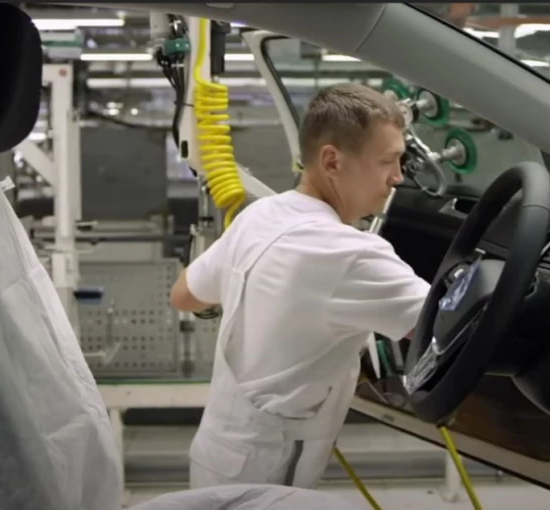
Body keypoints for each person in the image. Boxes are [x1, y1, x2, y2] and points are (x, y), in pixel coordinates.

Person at [170, 83, 431, 490]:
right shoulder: (350, 252)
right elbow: (447, 325)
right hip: (268, 471)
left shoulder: (260, 216)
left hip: (217, 452)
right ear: (332, 161)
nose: (397, 177)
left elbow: (184, 295)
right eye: (388, 161)